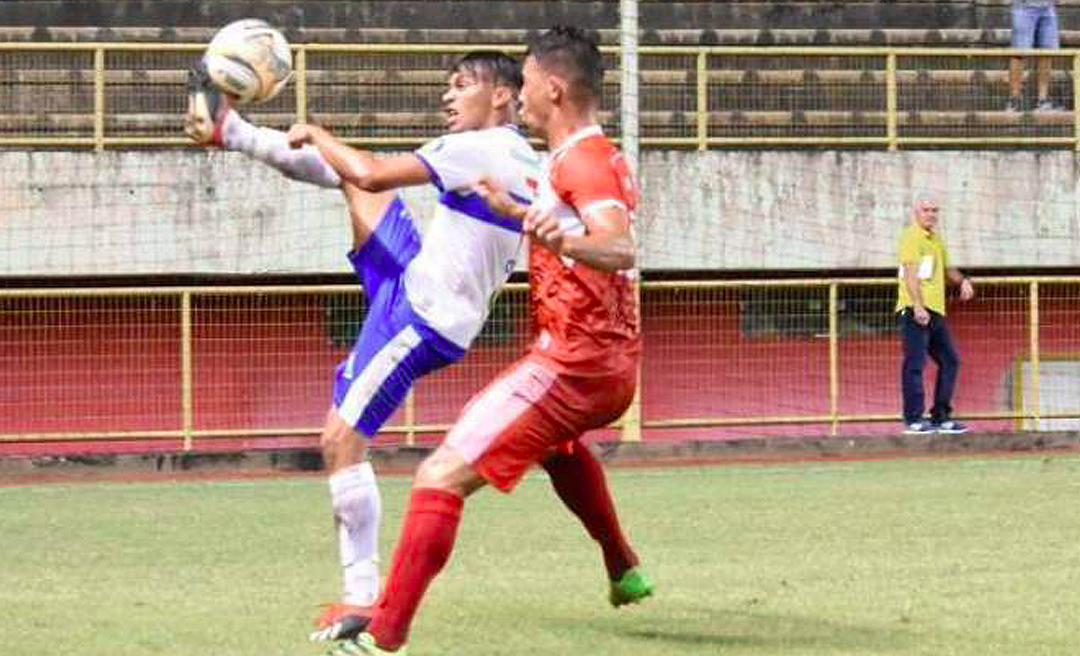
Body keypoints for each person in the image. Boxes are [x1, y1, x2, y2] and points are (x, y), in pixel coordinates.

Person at [185, 50, 542, 641]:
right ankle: (231, 130)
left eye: (461, 86)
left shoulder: (487, 147)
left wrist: (317, 131)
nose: (447, 97)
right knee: (350, 178)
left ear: (500, 96)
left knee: (339, 438)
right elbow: (360, 175)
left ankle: (362, 600)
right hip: (417, 280)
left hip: (421, 318)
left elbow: (375, 170)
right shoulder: (518, 156)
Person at [334, 25, 651, 656]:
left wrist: (558, 239)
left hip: (572, 366)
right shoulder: (585, 157)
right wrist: (514, 214)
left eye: (528, 80)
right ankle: (622, 565)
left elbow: (618, 246)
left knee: (439, 476)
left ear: (553, 89)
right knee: (557, 447)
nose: (521, 93)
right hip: (607, 366)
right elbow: (578, 229)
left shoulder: (582, 159)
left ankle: (382, 636)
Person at [895, 195, 975, 435]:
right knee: (915, 364)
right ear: (916, 213)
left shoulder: (936, 239)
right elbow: (910, 273)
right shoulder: (911, 236)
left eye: (934, 210)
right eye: (926, 210)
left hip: (936, 312)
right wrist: (917, 306)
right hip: (915, 311)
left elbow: (947, 268)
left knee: (950, 360)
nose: (931, 214)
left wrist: (963, 281)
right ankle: (913, 419)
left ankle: (941, 416)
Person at [1007, 0, 1061, 112]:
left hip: (1048, 7)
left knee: (1047, 53)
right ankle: (1014, 101)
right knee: (1019, 54)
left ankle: (1043, 100)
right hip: (1024, 6)